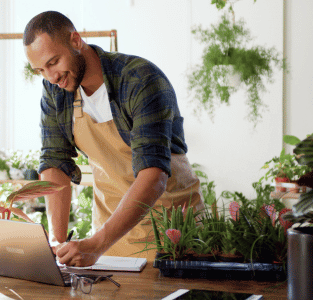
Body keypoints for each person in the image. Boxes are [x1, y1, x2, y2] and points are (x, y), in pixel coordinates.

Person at [23, 11, 204, 267]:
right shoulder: (55, 90)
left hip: (171, 237)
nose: (51, 76)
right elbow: (54, 161)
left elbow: (153, 175)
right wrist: (56, 240)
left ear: (76, 40)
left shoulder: (140, 79)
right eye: (40, 70)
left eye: (53, 62)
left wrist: (96, 245)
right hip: (111, 240)